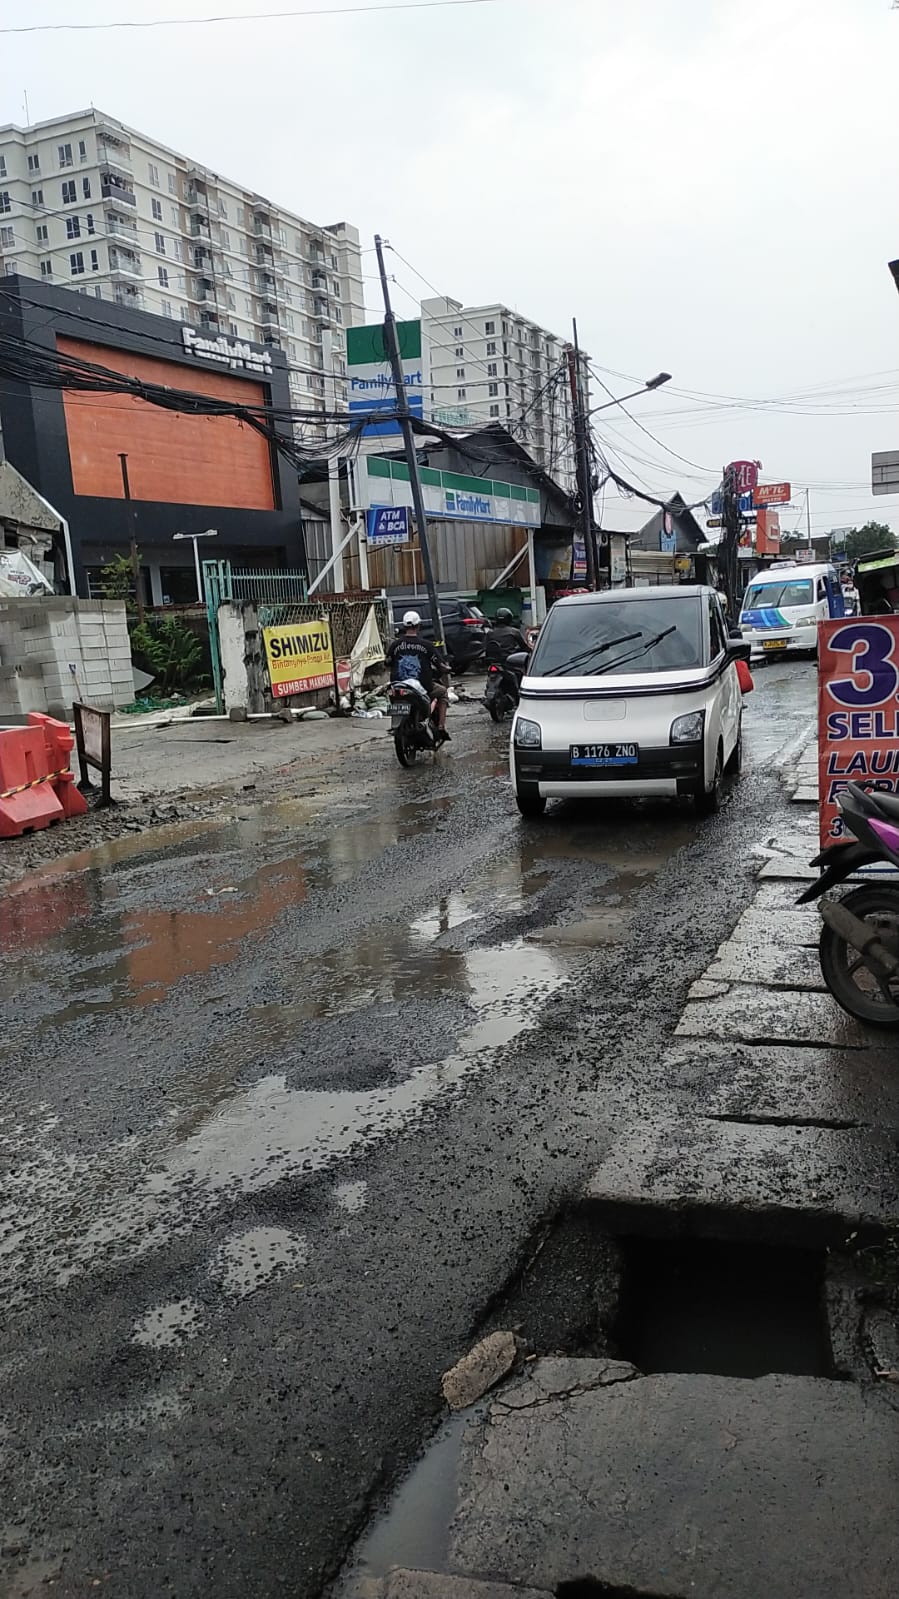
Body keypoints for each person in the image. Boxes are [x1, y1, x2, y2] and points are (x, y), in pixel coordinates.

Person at [386, 610, 451, 742]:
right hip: (422, 686)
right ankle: (441, 727)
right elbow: (440, 665)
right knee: (443, 692)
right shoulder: (426, 645)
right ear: (418, 626)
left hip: (398, 685)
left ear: (404, 626)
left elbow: (387, 663)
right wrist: (447, 669)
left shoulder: (395, 645)